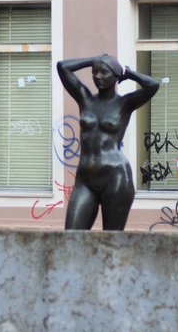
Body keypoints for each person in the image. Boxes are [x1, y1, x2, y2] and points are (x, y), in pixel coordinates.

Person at [57, 54, 159, 230]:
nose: (97, 76)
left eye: (104, 72)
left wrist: (129, 73)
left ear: (115, 77)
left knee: (112, 240)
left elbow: (153, 85)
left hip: (115, 177)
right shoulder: (85, 99)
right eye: (94, 72)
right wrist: (95, 59)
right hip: (85, 179)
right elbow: (62, 67)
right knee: (71, 237)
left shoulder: (124, 104)